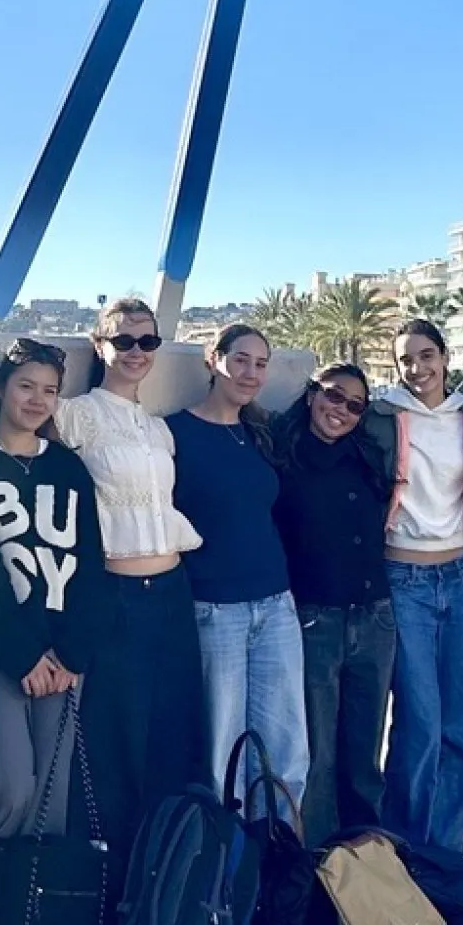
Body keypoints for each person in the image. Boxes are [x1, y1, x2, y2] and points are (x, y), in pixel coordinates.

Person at [0, 336, 106, 925]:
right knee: (9, 789)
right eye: (25, 387)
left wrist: (72, 655)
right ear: (1, 390)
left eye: (48, 390)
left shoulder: (70, 470)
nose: (37, 400)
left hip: (65, 663)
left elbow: (90, 566)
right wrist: (22, 656)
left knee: (53, 800)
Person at [57, 295, 207, 859]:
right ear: (100, 346)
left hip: (172, 593)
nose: (136, 351)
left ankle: (165, 882)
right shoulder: (76, 415)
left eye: (147, 341)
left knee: (173, 737)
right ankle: (110, 890)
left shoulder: (156, 429)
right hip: (115, 595)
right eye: (123, 340)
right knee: (112, 744)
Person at [167, 323, 308, 808]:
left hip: (276, 607)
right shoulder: (174, 433)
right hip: (213, 610)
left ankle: (277, 863)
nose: (251, 373)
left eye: (261, 363)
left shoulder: (262, 433)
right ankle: (229, 871)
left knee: (287, 751)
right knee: (223, 752)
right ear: (214, 360)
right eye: (241, 360)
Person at [366, 319, 463, 851]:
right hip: (403, 578)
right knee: (419, 723)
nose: (416, 368)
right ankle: (406, 852)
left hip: (462, 579)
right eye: (405, 360)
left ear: (444, 356)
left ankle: (446, 854)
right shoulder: (379, 416)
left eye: (425, 356)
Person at [274, 363, 395, 840]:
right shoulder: (280, 456)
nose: (340, 410)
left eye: (354, 405)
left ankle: (368, 868)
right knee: (317, 753)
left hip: (375, 620)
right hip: (313, 620)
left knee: (365, 754)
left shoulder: (368, 457)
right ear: (311, 395)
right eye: (332, 395)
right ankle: (321, 866)